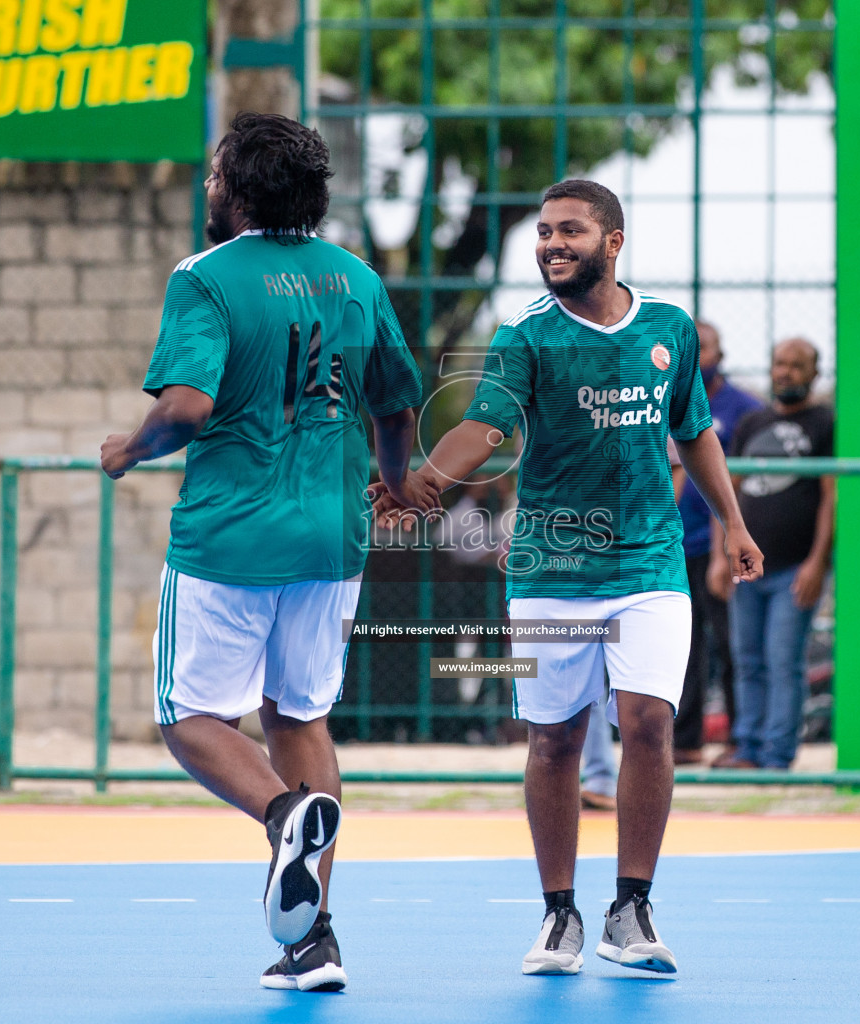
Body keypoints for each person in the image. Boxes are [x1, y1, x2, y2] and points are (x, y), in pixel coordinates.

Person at [373, 179, 763, 977]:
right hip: (552, 566)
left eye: (571, 231)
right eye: (545, 232)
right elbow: (485, 426)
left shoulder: (669, 329)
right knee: (554, 740)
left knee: (649, 721)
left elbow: (694, 433)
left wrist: (734, 521)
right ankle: (559, 916)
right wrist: (426, 482)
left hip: (649, 562)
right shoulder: (526, 337)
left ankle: (632, 907)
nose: (552, 244)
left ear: (613, 241)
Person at [99, 112, 435, 992]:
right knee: (300, 716)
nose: (208, 187)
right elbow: (396, 405)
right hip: (332, 536)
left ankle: (285, 814)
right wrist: (396, 483)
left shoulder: (205, 277)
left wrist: (128, 450)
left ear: (238, 190)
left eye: (215, 174)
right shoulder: (356, 278)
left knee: (187, 718)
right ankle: (314, 939)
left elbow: (185, 408)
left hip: (231, 535)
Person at [708, 338, 834, 771]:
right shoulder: (751, 423)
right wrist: (720, 557)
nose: (786, 372)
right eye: (780, 363)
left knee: (783, 661)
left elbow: (830, 499)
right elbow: (726, 493)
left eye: (797, 365)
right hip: (748, 569)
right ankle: (747, 749)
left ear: (814, 374)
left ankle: (776, 756)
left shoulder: (826, 423)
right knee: (748, 661)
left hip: (795, 569)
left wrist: (817, 563)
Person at [668, 321, 763, 765]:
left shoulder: (745, 410)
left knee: (731, 644)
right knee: (680, 648)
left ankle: (740, 739)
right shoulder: (659, 398)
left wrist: (729, 542)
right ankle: (684, 741)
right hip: (672, 545)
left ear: (721, 353)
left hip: (717, 547)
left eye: (705, 348)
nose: (699, 357)